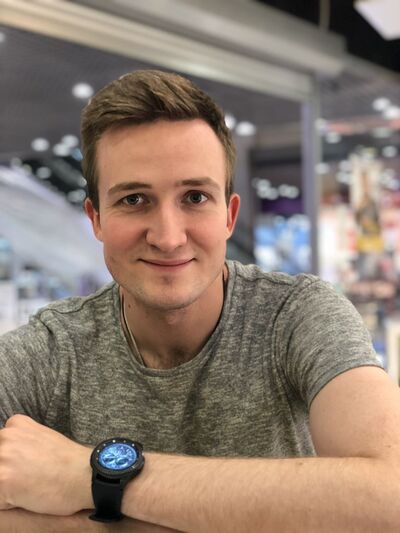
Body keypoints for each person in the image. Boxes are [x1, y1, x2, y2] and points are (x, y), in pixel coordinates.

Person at [1, 69, 400, 532]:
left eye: (194, 196)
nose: (168, 237)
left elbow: (390, 494)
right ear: (96, 220)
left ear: (229, 215)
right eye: (134, 200)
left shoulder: (296, 315)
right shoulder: (51, 351)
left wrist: (89, 478)